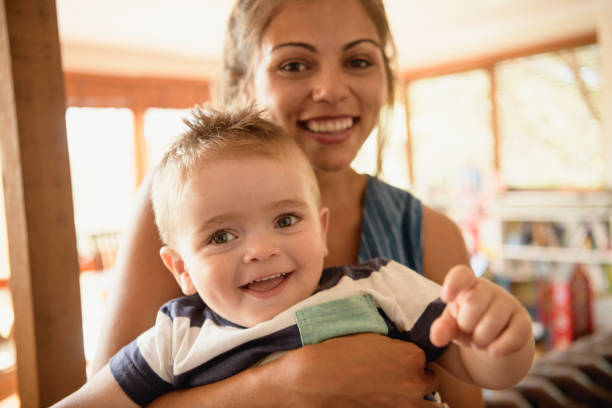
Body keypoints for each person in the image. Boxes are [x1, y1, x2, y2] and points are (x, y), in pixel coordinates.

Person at [90, 0, 510, 406]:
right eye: (293, 65)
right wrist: (281, 389)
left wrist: (508, 337)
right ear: (245, 84)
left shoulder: (429, 233)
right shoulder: (177, 208)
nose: (330, 90)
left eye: (358, 61)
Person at [56, 107, 534, 407]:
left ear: (322, 229)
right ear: (181, 268)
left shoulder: (381, 288)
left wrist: (502, 340)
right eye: (222, 235)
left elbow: (482, 370)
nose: (261, 250)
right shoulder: (175, 339)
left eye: (286, 220)